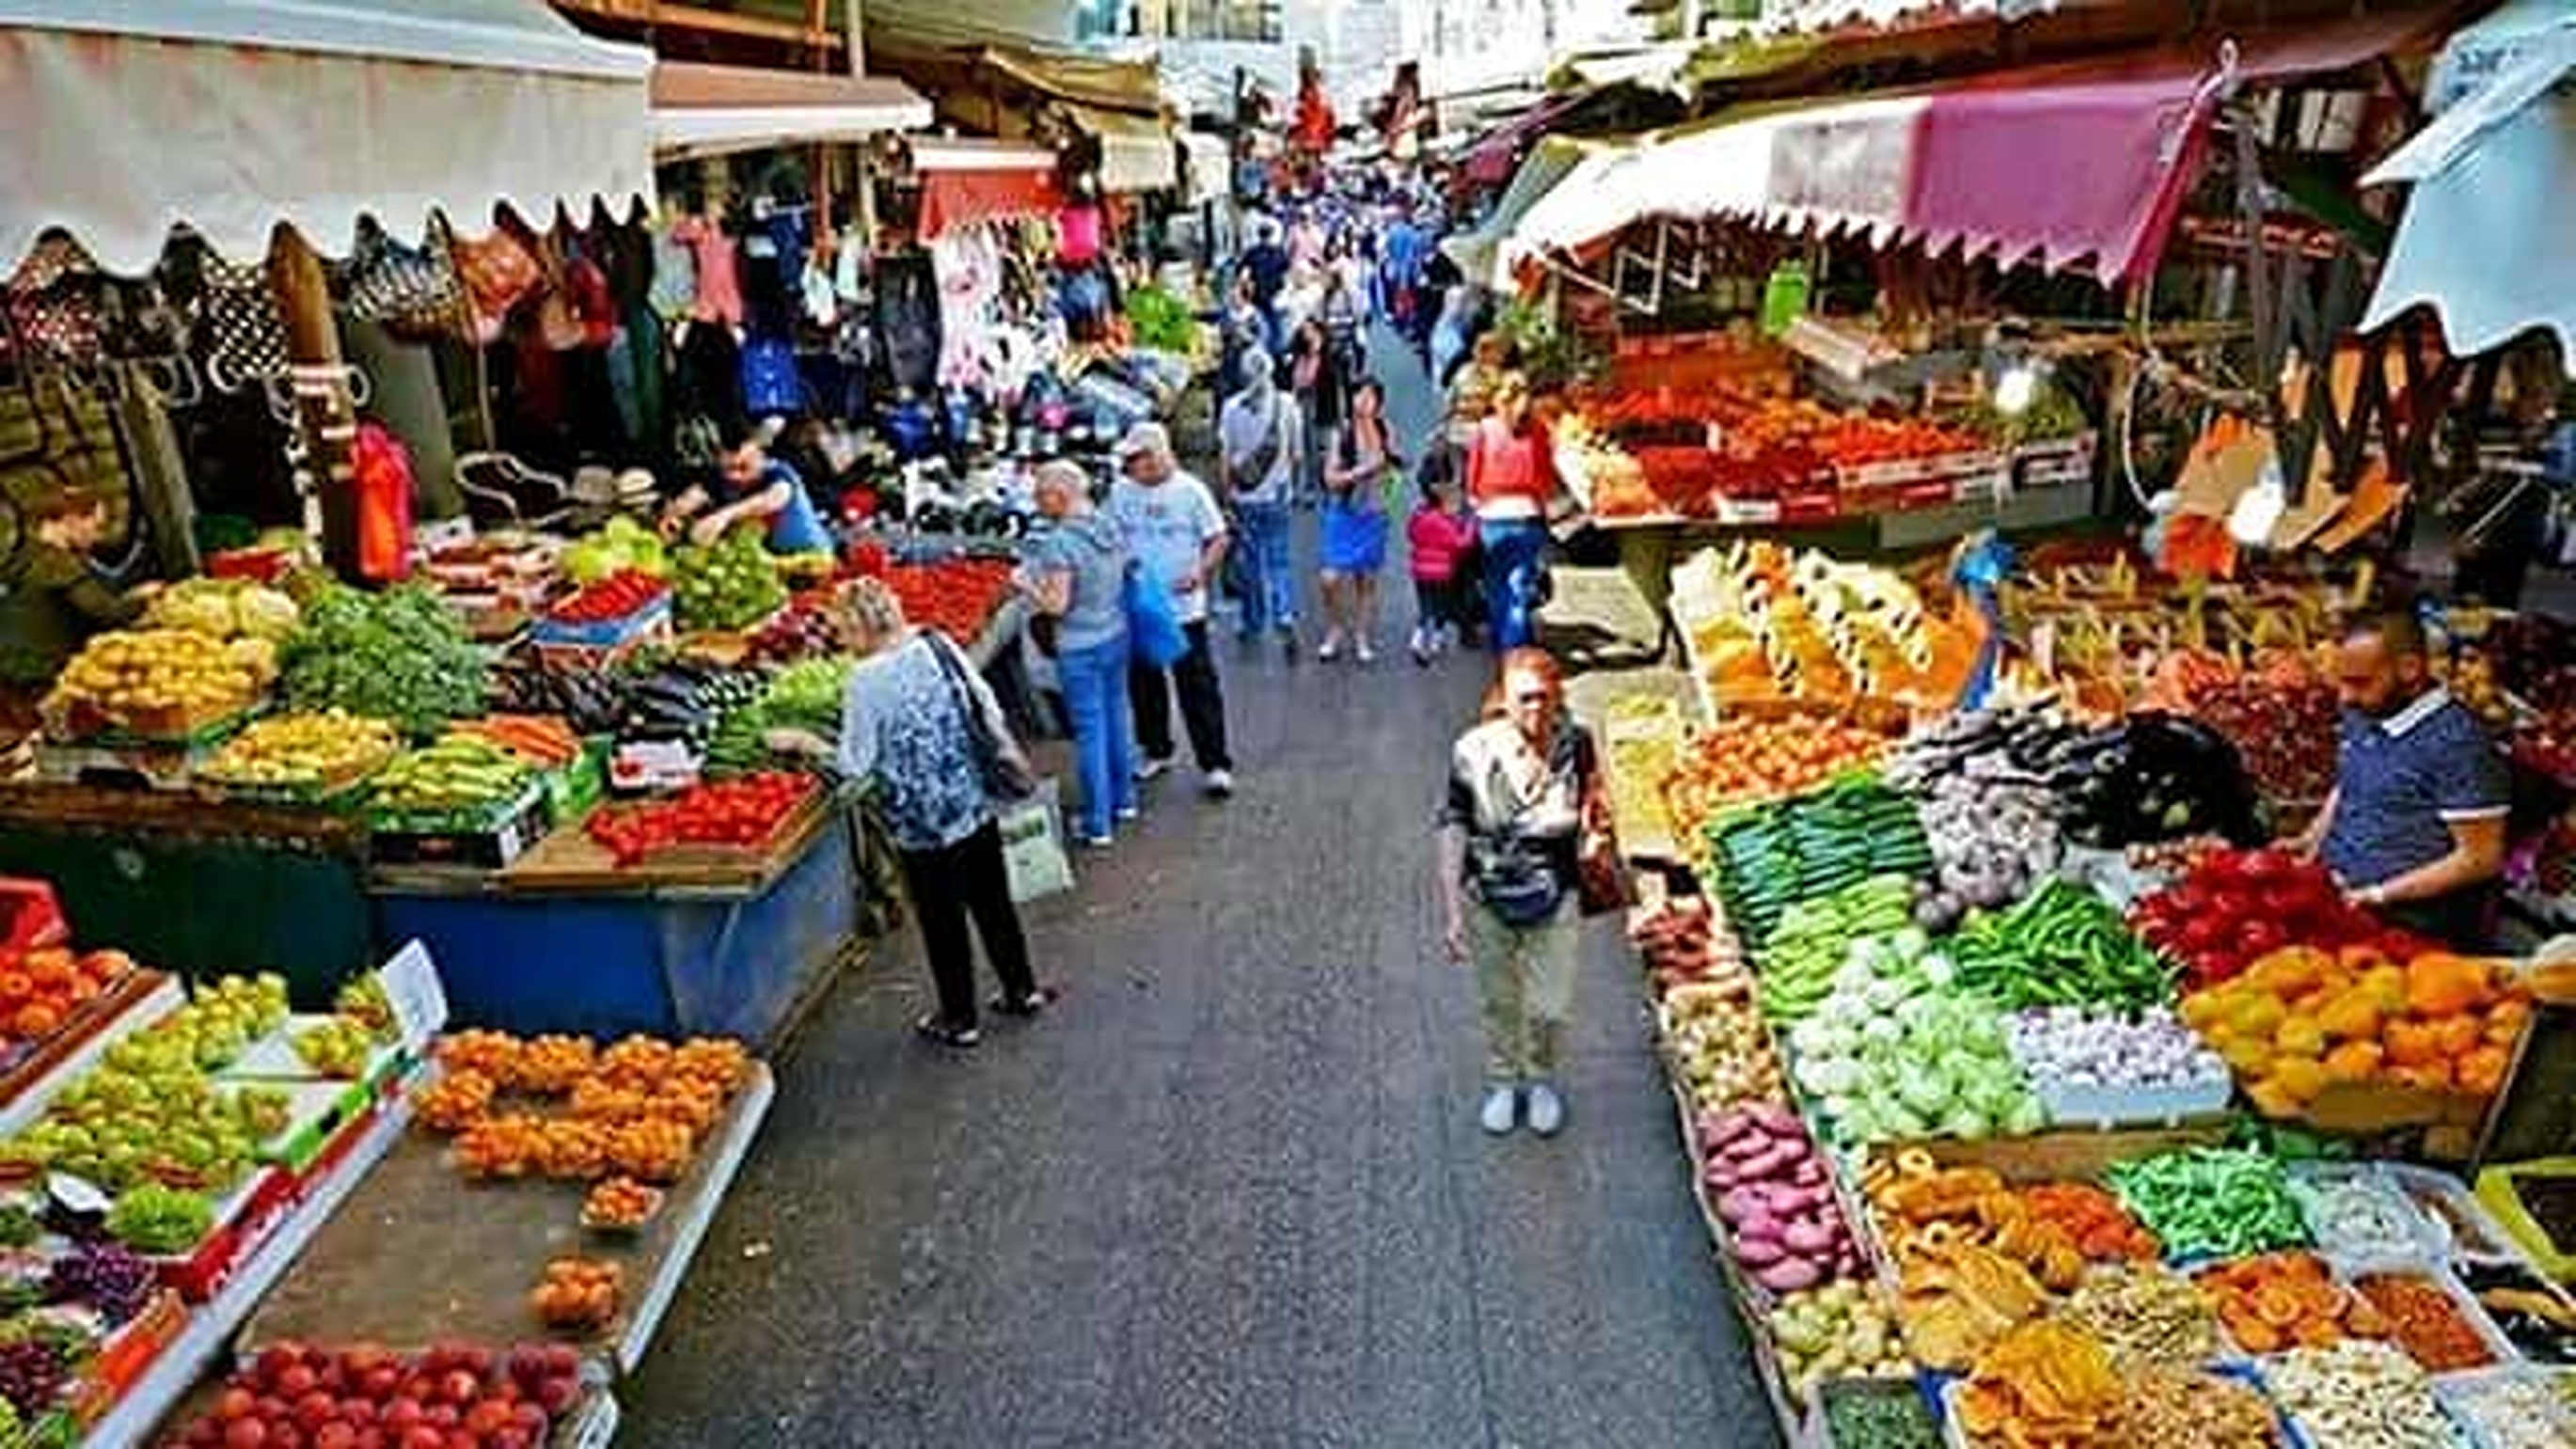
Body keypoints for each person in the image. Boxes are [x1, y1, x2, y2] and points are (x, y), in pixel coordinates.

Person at [770, 578, 1052, 1048]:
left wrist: (802, 742)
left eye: (843, 628)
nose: (841, 638)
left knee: (943, 921)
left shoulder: (866, 679)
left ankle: (960, 1018)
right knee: (993, 901)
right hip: (971, 800)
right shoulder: (937, 643)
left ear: (859, 627)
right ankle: (1022, 990)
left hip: (920, 823)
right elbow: (985, 703)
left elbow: (854, 767)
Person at [1436, 649, 1608, 1139]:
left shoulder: (1576, 744)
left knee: (1549, 1005)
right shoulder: (1472, 750)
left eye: (1543, 698)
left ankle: (1540, 1079)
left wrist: (1597, 836)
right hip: (1487, 894)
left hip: (1557, 892)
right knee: (1499, 1000)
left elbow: (1595, 804)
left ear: (1558, 698)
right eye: (1523, 699)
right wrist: (1451, 909)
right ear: (1505, 700)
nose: (1534, 709)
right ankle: (1504, 1082)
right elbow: (1451, 824)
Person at [2288, 611, 2512, 949]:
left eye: (2359, 682)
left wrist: (2378, 895)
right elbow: (2351, 780)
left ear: (2409, 670)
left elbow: (2480, 858)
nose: (2345, 697)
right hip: (2341, 906)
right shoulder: (2365, 710)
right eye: (2342, 681)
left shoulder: (2460, 743)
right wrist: (2311, 841)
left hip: (2409, 929)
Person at [1109, 421, 1237, 798]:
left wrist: (1200, 571)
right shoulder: (1121, 492)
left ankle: (1215, 763)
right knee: (1144, 682)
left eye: (1135, 459)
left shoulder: (1191, 492)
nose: (1130, 467)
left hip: (1184, 609)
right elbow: (1112, 536)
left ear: (1156, 456)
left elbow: (1217, 538)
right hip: (1139, 604)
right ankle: (1156, 748)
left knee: (1197, 685)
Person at [1019, 462, 1140, 848]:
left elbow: (1057, 605)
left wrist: (1026, 585)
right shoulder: (1109, 525)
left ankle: (1097, 823)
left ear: (1061, 494)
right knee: (1117, 718)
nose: (1037, 503)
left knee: (1089, 732)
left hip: (1079, 647)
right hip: (1117, 632)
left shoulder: (1060, 542)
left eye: (1041, 495)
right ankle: (1125, 801)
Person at [0, 488, 149, 700]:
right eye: (96, 526)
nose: (98, 536)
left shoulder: (24, 554)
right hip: (42, 674)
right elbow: (108, 613)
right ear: (71, 520)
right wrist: (147, 598)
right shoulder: (55, 563)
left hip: (12, 668)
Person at [1463, 372, 1558, 652]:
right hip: (1527, 517)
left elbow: (1473, 475)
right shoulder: (1539, 430)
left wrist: (1475, 502)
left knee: (1496, 584)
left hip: (1492, 518)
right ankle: (1514, 644)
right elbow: (1545, 477)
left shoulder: (1485, 428)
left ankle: (1506, 642)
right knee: (1519, 586)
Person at [1218, 351, 1302, 660]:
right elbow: (1296, 455)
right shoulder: (1288, 405)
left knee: (1250, 562)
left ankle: (1252, 620)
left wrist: (1225, 497)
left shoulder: (1231, 408)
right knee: (1279, 560)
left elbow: (1225, 458)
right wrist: (1289, 485)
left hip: (1245, 498)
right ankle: (1284, 614)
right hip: (1278, 494)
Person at [1319, 378, 1397, 664]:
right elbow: (1330, 479)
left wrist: (1388, 497)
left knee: (1367, 580)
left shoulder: (1386, 430)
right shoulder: (1342, 433)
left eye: (1370, 396)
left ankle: (1361, 635)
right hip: (1344, 511)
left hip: (1374, 514)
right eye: (1359, 395)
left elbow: (1391, 472)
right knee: (1329, 578)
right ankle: (1336, 627)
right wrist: (1362, 472)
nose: (1364, 401)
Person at [661, 428, 832, 554]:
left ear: (760, 455)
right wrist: (675, 512)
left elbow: (771, 500)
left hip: (812, 555)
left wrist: (724, 516)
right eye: (728, 469)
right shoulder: (722, 479)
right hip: (774, 562)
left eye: (743, 468)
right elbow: (697, 494)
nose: (735, 477)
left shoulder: (778, 473)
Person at [1406, 450, 1478, 665]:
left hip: (1419, 572)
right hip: (1442, 572)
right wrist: (1472, 524)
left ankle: (1418, 638)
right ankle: (1436, 640)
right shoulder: (1444, 521)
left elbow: (1411, 535)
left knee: (1425, 606)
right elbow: (1462, 543)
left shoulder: (1418, 515)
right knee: (1441, 607)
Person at [1287, 316, 1349, 508]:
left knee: (1329, 449)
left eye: (1311, 330)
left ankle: (1329, 488)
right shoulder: (1300, 354)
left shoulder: (1332, 354)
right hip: (1306, 406)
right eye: (1304, 331)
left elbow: (1341, 386)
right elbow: (1296, 382)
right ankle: (1312, 488)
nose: (1308, 334)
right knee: (1309, 448)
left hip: (1327, 405)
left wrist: (1344, 414)